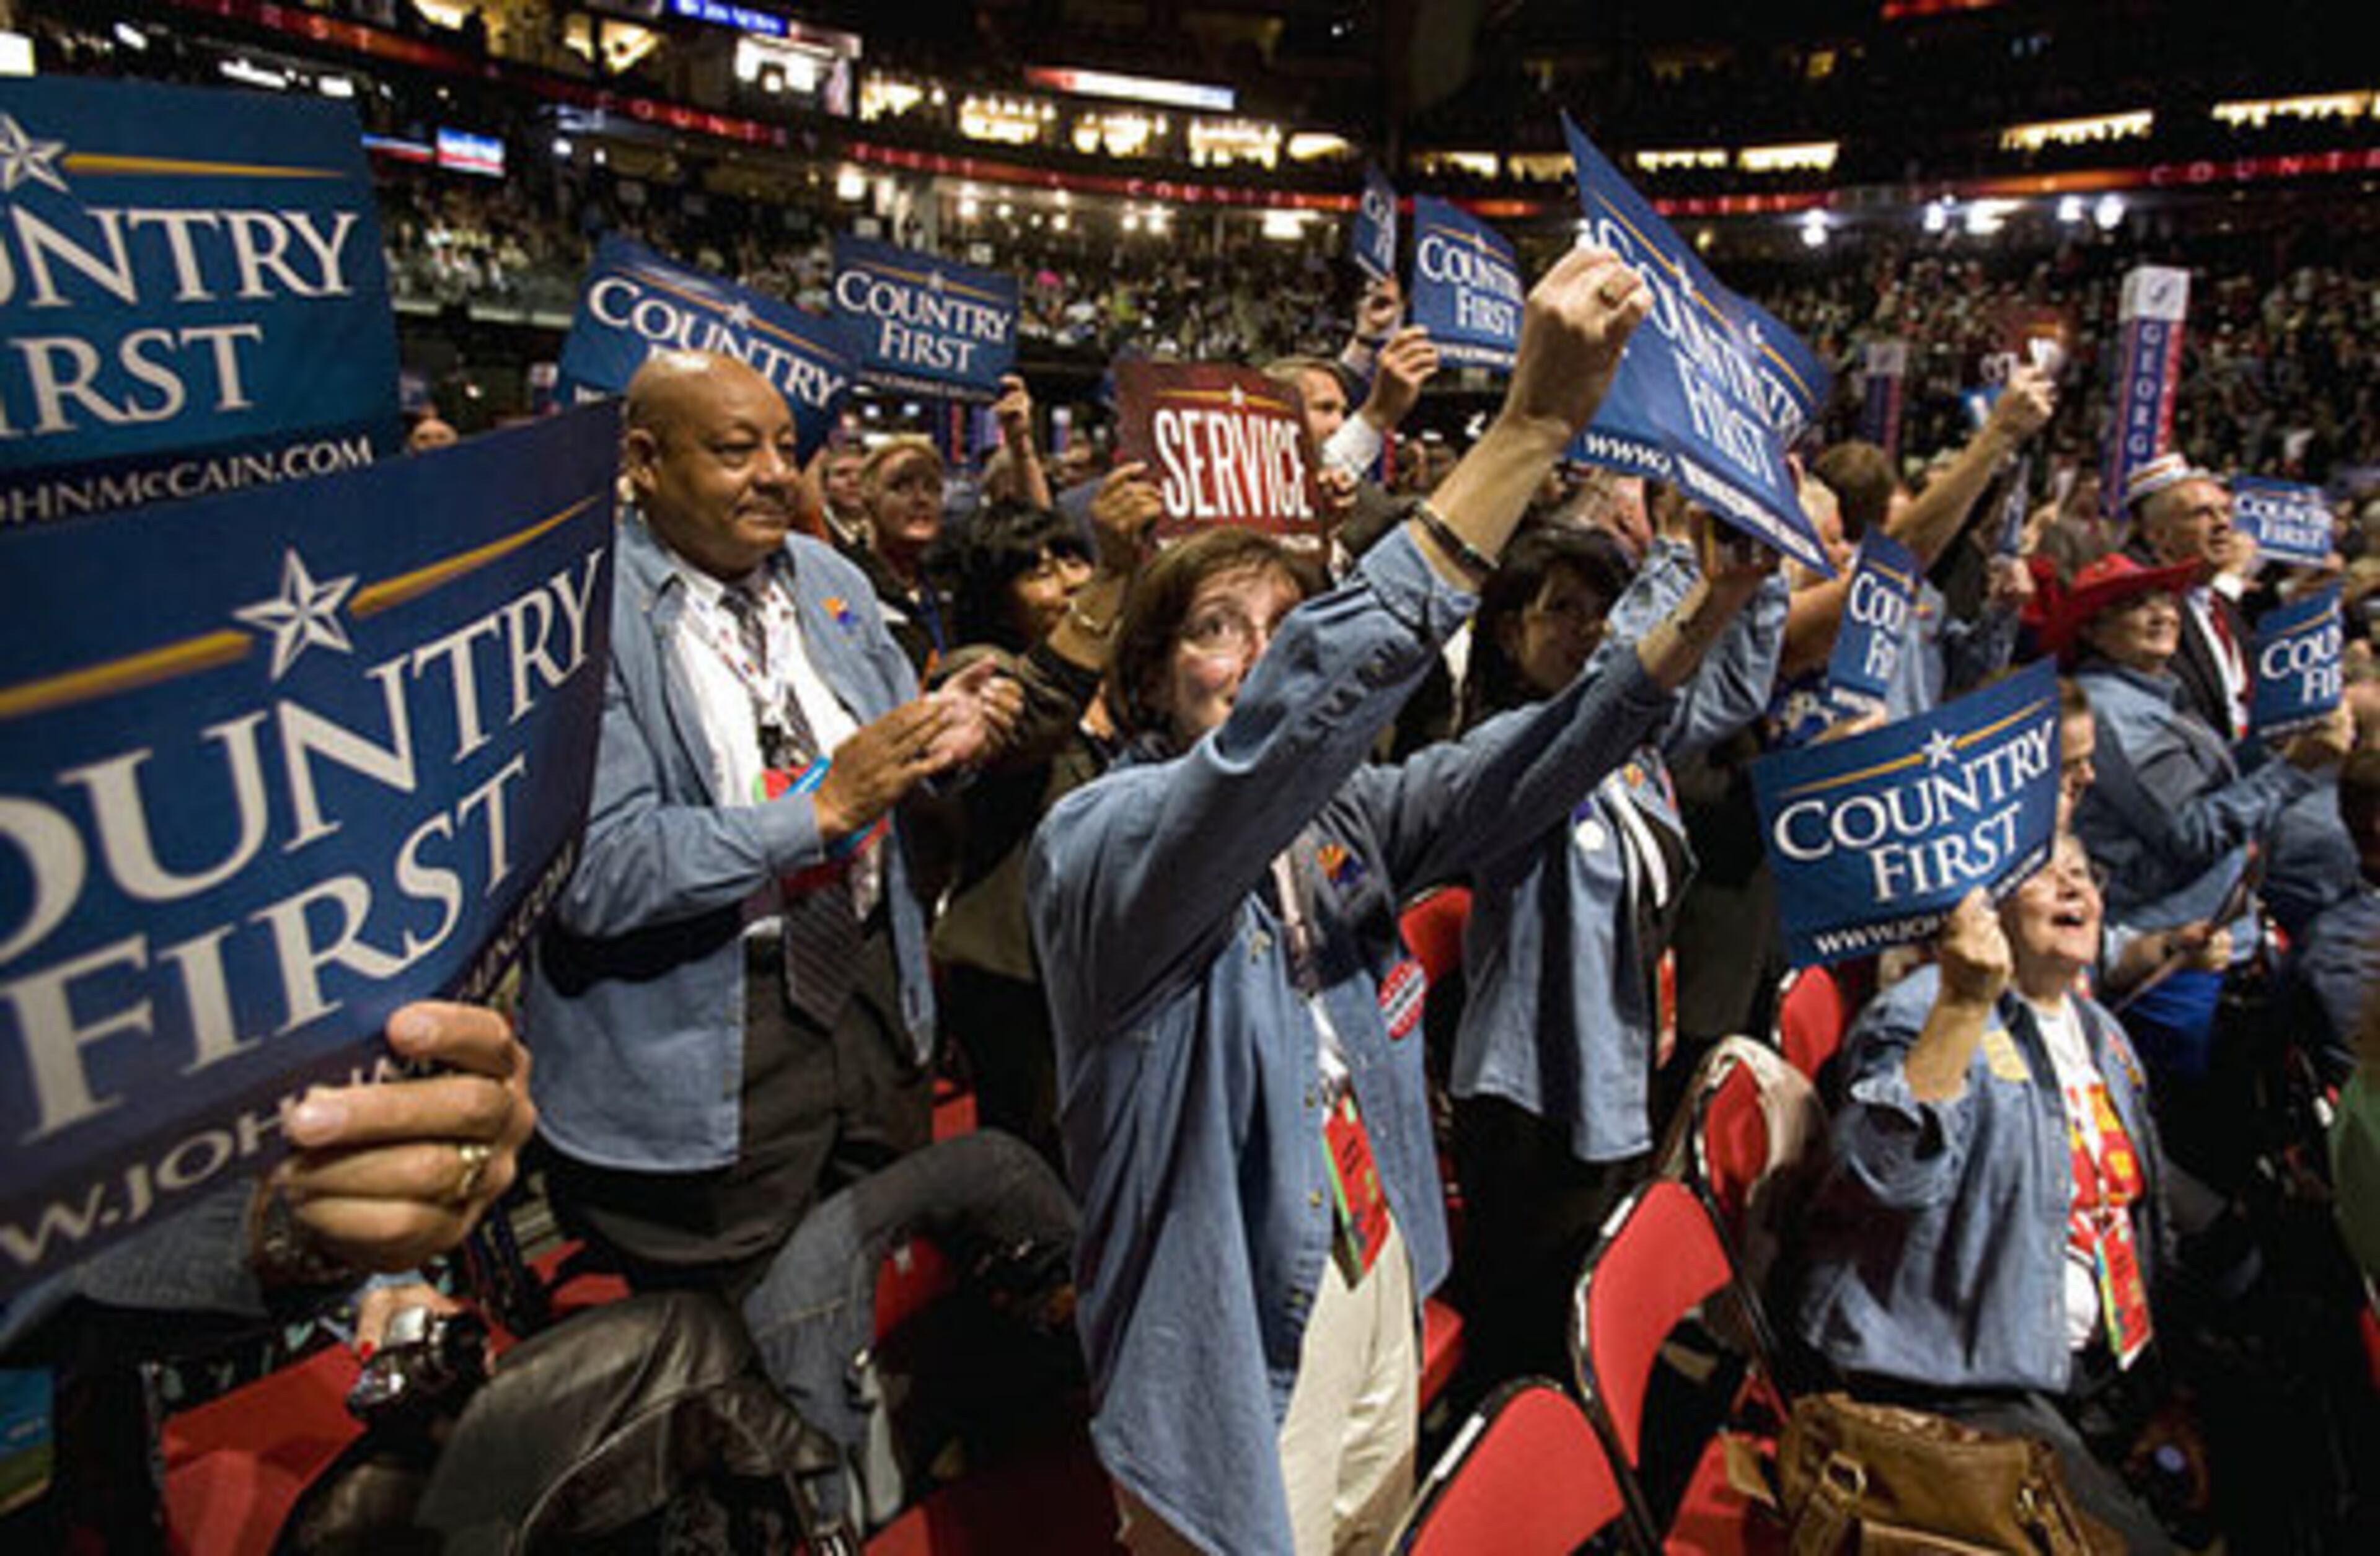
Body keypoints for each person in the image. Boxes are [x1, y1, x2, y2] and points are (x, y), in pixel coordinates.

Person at [1029, 247, 1778, 1556]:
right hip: (1228, 1338)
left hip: (1369, 1270)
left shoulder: (1337, 821)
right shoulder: (1102, 844)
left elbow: (1524, 763)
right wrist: (1531, 426)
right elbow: (1282, 725)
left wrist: (1703, 610)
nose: (1256, 656)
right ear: (1150, 677)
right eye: (1218, 625)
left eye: (1282, 617)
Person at [520, 351, 1018, 1316]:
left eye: (786, 447)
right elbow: (599, 874)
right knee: (738, 1348)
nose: (775, 474)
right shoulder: (579, 605)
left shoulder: (828, 576)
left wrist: (941, 736)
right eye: (735, 449)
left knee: (866, 1296)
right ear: (645, 458)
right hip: (709, 1037)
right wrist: (820, 811)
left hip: (871, 997)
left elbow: (888, 758)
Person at [1447, 501, 1786, 1383]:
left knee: (1581, 1309)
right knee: (1522, 1340)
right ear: (1506, 628)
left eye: (1602, 607)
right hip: (1531, 1096)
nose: (1589, 628)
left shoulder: (1633, 747)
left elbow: (1736, 686)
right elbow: (1607, 692)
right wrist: (1673, 559)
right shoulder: (1506, 747)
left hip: (1613, 1067)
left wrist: (1758, 562)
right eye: (1561, 608)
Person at [1789, 841, 2185, 1551]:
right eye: (2044, 871)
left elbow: (2135, 1220)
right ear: (1984, 906)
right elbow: (1884, 1182)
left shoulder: (2103, 1032)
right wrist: (1963, 1003)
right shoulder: (1921, 1015)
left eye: (2084, 873)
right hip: (1955, 1376)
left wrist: (2167, 1391)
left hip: (2099, 1373)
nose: (2074, 887)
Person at [2053, 552, 2348, 1177]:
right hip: (2173, 957)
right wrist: (2295, 768)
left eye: (2164, 599)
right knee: (2205, 1138)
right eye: (2134, 605)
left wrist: (2271, 748)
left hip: (2212, 942)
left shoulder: (2154, 696)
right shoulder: (2114, 712)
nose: (2160, 612)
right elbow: (2191, 833)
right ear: (2093, 632)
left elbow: (2205, 790)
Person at [2123, 452, 2250, 739]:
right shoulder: (2142, 614)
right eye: (2203, 514)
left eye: (2226, 511)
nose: (2222, 524)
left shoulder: (2221, 605)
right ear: (2158, 535)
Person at [853, 434, 955, 677]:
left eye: (932, 488)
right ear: (868, 499)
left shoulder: (949, 575)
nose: (921, 499)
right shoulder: (845, 579)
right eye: (901, 487)